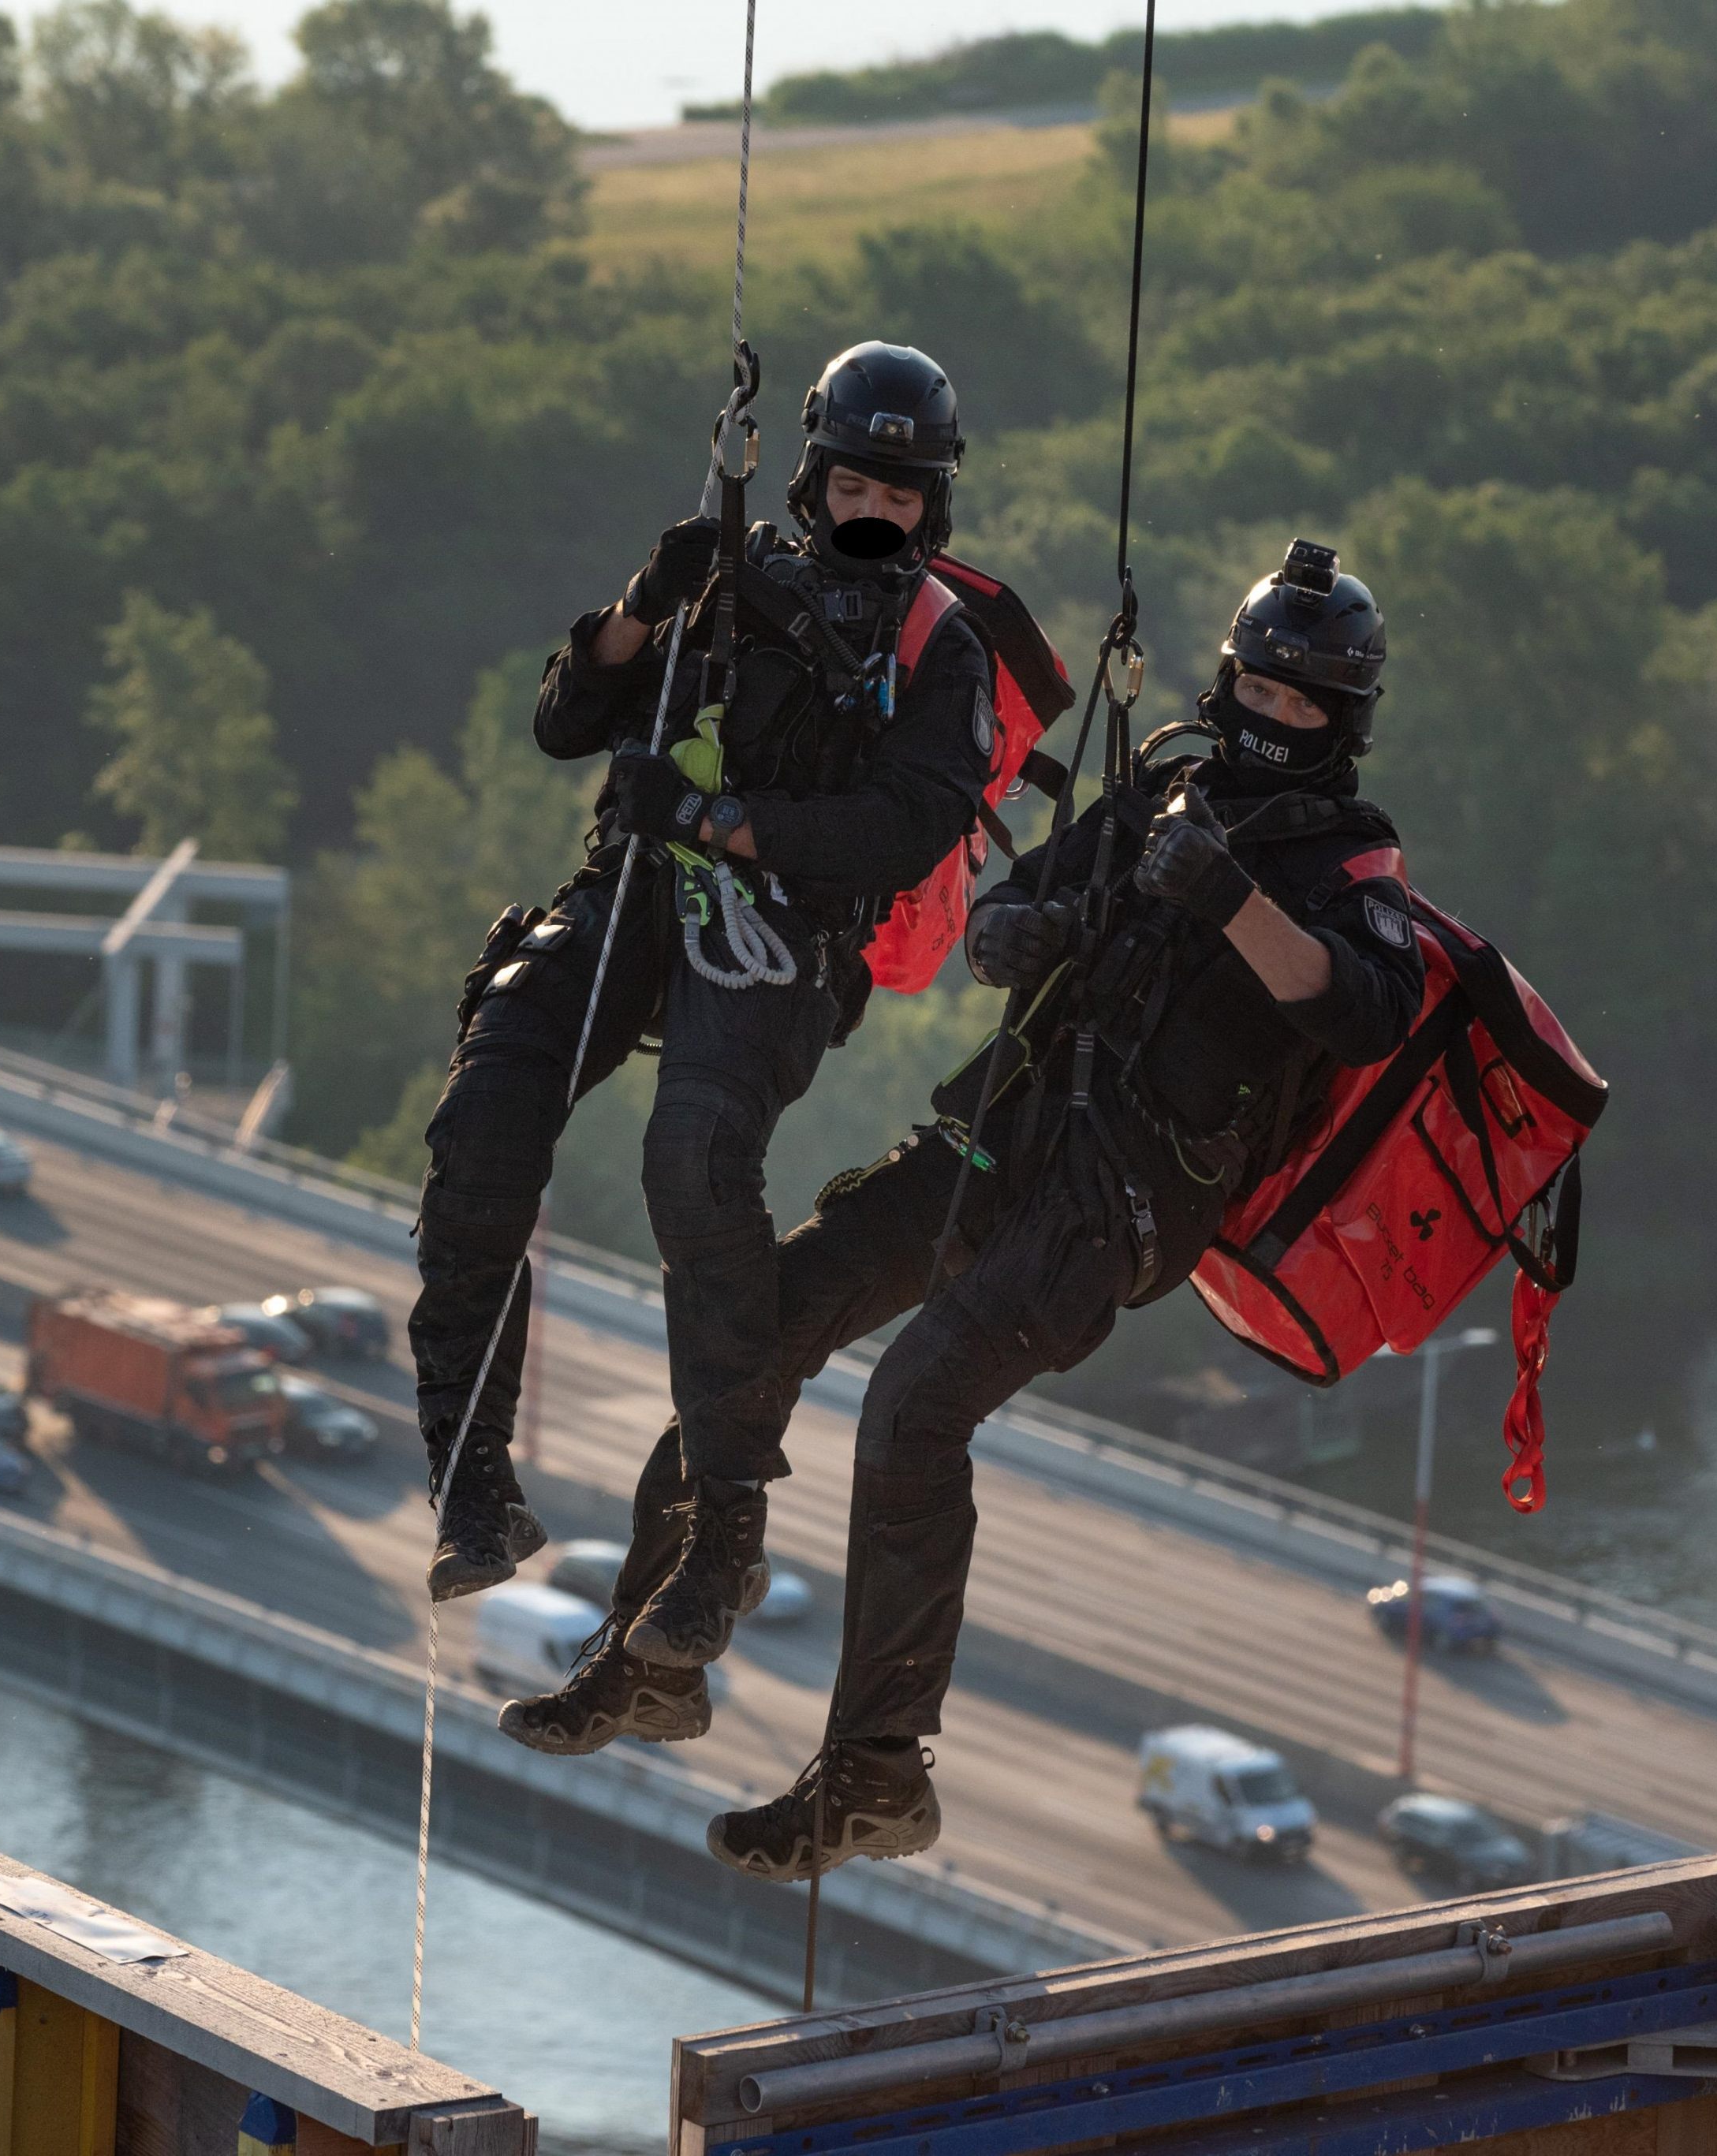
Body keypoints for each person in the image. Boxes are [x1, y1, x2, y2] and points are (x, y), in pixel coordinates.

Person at [500, 541, 1429, 1884]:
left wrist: (1226, 901)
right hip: (1007, 1131)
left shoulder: (1351, 860)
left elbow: (1367, 1013)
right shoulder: (1167, 789)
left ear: (1342, 721)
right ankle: (655, 1640)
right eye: (1261, 689)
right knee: (762, 1318)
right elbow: (1033, 885)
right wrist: (1020, 926)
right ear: (1229, 680)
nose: (1275, 717)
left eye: (1305, 704)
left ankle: (875, 1778)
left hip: (1116, 1201)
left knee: (914, 1407)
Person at [409, 342, 998, 1631]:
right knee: (490, 1101)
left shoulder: (939, 651)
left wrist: (724, 823)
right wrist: (641, 603)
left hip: (778, 932)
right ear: (811, 478)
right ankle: (471, 1475)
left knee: (696, 1154)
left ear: (931, 502)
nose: (873, 510)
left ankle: (723, 1526)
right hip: (632, 892)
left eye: (900, 493)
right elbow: (567, 722)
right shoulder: (727, 582)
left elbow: (905, 828)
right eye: (855, 482)